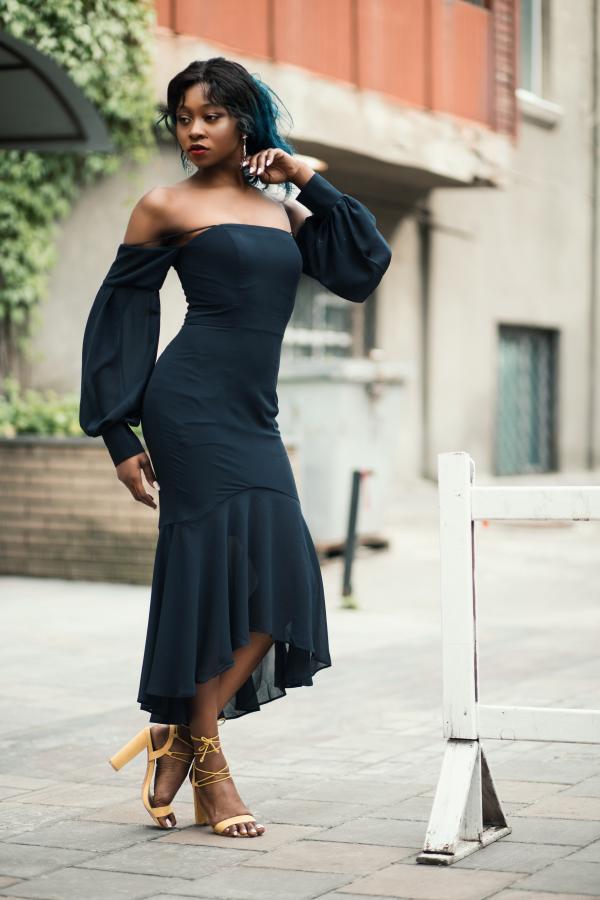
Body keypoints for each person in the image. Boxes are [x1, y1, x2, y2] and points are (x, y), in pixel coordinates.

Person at [79, 56, 392, 839]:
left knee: (286, 579)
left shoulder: (284, 211)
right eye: (183, 117)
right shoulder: (164, 206)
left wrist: (308, 179)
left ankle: (178, 735)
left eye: (210, 116)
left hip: (253, 415)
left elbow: (362, 267)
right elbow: (120, 318)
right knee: (202, 580)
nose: (193, 130)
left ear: (244, 120)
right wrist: (119, 432)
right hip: (187, 408)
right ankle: (212, 771)